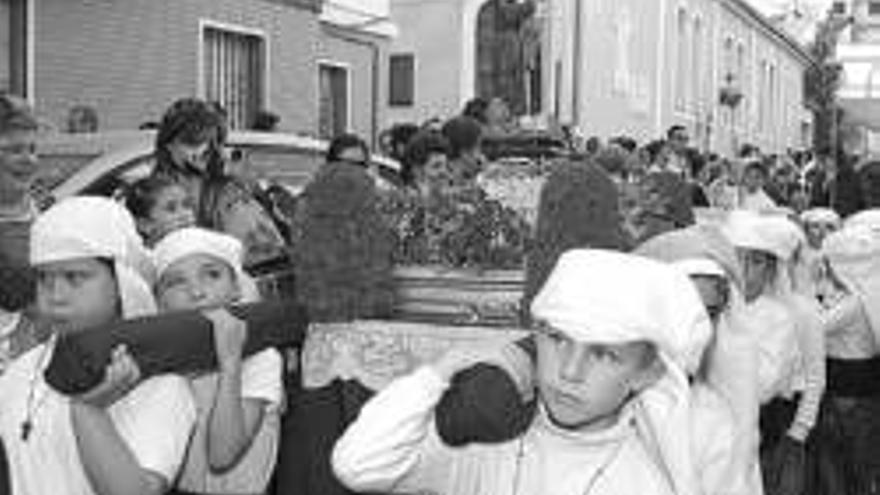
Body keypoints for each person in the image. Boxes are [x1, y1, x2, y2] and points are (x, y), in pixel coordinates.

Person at [332, 249, 711, 495]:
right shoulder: (490, 436)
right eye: (557, 339)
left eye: (604, 355)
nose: (570, 370)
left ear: (647, 374)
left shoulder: (641, 482)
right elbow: (359, 465)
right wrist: (441, 369)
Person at [0, 196, 197, 495]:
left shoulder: (159, 384)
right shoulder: (21, 371)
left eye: (74, 277)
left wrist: (88, 411)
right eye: (44, 278)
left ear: (121, 283)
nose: (56, 295)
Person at [151, 227, 283, 495]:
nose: (197, 292)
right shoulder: (162, 363)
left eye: (212, 275)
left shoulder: (259, 357)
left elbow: (222, 456)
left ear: (236, 287)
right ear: (159, 302)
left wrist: (230, 362)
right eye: (177, 282)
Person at [721, 211, 825, 495]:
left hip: (769, 424)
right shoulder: (720, 307)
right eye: (738, 259)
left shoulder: (784, 316)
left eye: (755, 262)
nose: (744, 271)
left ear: (770, 270)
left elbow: (769, 386)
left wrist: (799, 431)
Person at [152, 97, 286, 269]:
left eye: (207, 143)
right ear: (168, 144)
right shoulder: (153, 188)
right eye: (191, 142)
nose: (200, 151)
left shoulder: (228, 192)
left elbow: (266, 260)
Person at [813, 221, 880, 494]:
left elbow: (815, 328)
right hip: (858, 390)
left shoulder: (853, 303)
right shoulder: (866, 294)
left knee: (849, 463)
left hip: (849, 392)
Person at [124, 175, 196, 246]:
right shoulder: (142, 257)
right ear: (145, 225)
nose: (185, 214)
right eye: (171, 209)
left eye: (187, 205)